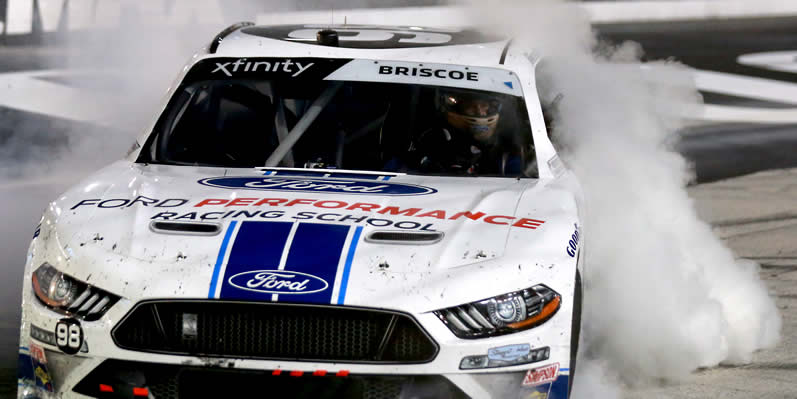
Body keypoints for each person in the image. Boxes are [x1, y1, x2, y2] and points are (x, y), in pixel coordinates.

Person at [404, 88, 525, 176]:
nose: (480, 113)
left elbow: (520, 180)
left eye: (484, 106)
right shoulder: (431, 140)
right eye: (472, 106)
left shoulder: (506, 150)